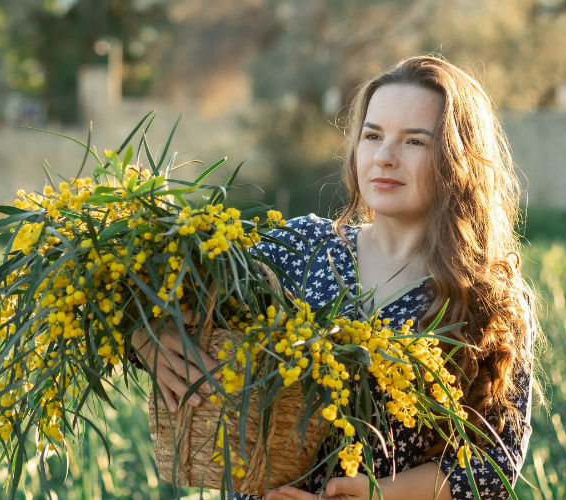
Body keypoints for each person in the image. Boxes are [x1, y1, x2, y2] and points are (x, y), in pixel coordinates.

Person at [132, 55, 540, 500]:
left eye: (415, 142)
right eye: (373, 135)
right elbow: (179, 305)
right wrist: (146, 336)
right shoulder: (297, 247)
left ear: (456, 160)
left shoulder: (488, 295)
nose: (384, 157)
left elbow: (494, 464)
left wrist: (376, 493)